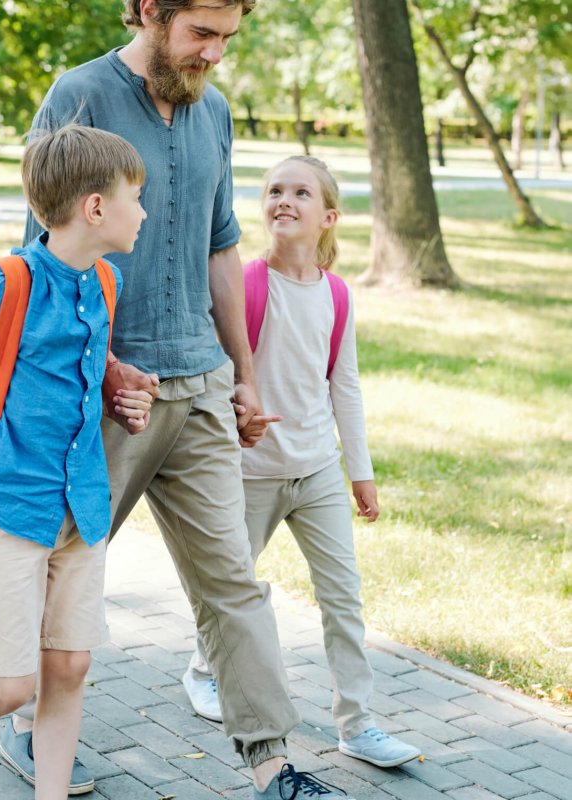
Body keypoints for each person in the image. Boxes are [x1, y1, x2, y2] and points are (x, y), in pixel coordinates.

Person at [1, 2, 356, 798]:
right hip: (105, 392)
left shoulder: (215, 110)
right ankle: (28, 729)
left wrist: (244, 373)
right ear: (151, 13)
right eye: (202, 34)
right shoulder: (79, 95)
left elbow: (220, 245)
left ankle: (274, 764)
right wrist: (107, 362)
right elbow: (42, 252)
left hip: (197, 381)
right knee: (61, 565)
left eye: (228, 38)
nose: (215, 55)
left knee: (232, 579)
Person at [0, 124, 153, 800]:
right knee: (12, 683)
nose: (144, 211)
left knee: (71, 664)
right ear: (96, 208)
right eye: (136, 196)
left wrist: (119, 396)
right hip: (12, 505)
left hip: (82, 505)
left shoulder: (105, 280)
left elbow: (78, 377)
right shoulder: (5, 281)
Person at [183, 155, 422, 769]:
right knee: (232, 590)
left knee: (343, 597)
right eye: (274, 190)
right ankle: (201, 669)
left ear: (328, 216)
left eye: (300, 192)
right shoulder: (247, 284)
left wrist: (358, 472)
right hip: (251, 472)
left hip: (315, 471)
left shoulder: (338, 295)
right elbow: (223, 374)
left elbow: (345, 387)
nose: (283, 199)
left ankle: (358, 723)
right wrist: (239, 419)